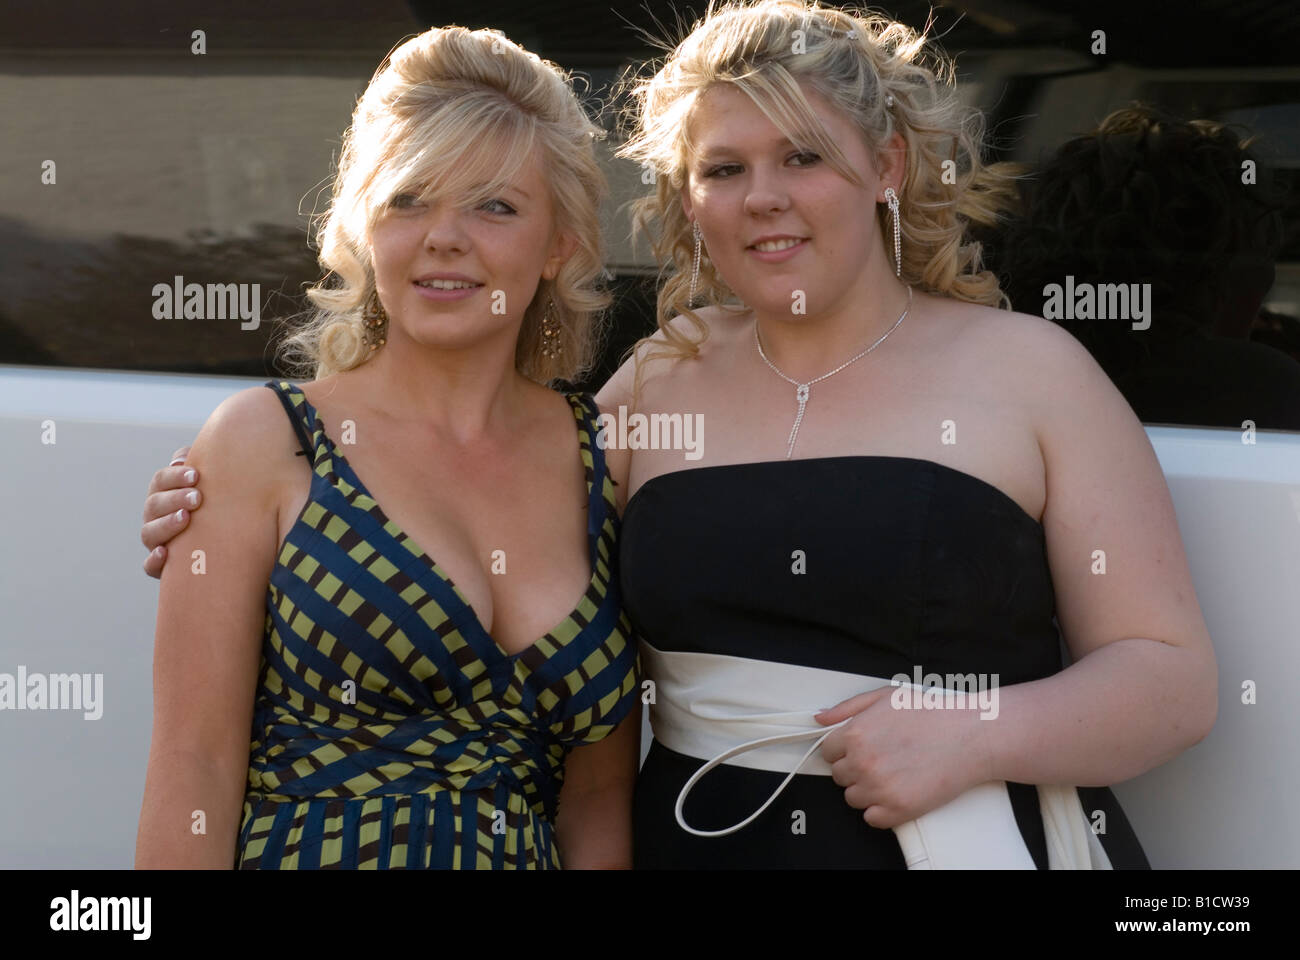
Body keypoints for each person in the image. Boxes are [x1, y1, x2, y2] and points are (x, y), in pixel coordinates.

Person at [141, 0, 1217, 869]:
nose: (764, 200)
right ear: (686, 200)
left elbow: (1170, 677)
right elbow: (445, 490)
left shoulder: (1029, 370)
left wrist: (975, 733)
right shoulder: (651, 388)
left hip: (966, 848)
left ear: (886, 167)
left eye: (802, 157)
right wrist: (208, 517)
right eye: (723, 169)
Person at [134, 25, 640, 870]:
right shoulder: (266, 442)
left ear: (559, 245)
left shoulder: (609, 460)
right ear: (368, 225)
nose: (443, 236)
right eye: (409, 198)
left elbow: (596, 801)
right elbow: (194, 764)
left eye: (495, 206)